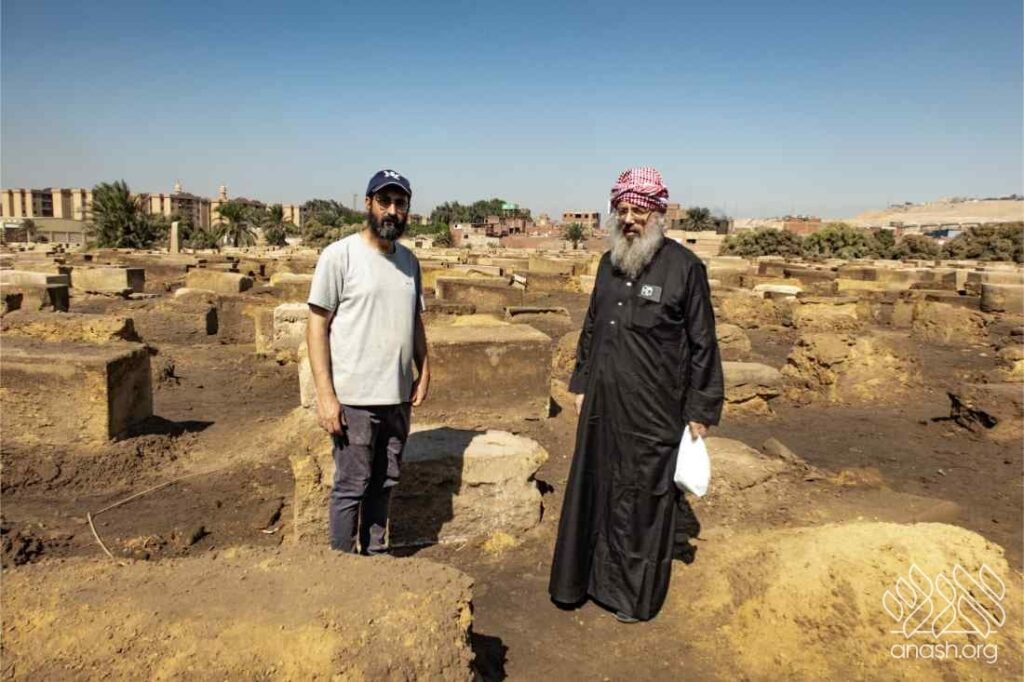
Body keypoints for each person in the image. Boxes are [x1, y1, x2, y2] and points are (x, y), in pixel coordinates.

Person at [548, 167, 724, 622]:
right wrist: (582, 384)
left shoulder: (685, 269)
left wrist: (700, 410)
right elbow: (591, 326)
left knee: (642, 500)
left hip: (654, 411)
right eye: (622, 210)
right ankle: (579, 582)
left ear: (658, 213)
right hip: (603, 405)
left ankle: (629, 597)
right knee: (595, 489)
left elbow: (704, 342)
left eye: (638, 210)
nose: (629, 218)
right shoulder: (609, 265)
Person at [306, 169, 429, 555]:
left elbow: (414, 322)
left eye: (400, 203)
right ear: (368, 204)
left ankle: (375, 559)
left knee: (385, 482)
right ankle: (343, 570)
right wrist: (325, 396)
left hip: (396, 398)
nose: (392, 211)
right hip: (354, 400)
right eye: (385, 202)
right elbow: (316, 328)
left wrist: (425, 371)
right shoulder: (339, 256)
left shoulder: (409, 262)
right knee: (351, 487)